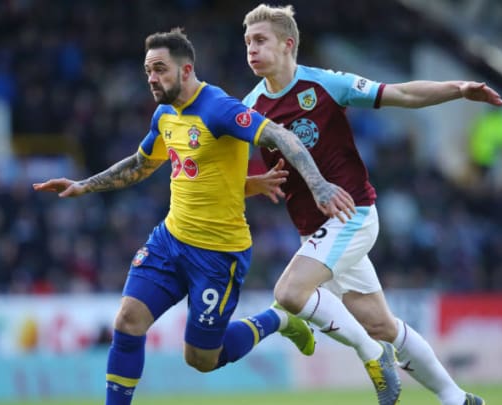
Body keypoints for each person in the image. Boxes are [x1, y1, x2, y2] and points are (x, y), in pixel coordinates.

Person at [33, 28, 356, 405]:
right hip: (170, 242)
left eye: (160, 69)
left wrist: (318, 184)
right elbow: (141, 164)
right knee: (127, 321)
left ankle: (280, 319)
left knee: (202, 359)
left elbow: (283, 136)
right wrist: (84, 185)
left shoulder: (219, 108)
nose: (152, 78)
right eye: (147, 70)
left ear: (186, 70)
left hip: (218, 256)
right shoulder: (165, 115)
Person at [242, 4, 502, 405]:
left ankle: (371, 354)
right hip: (314, 232)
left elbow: (398, 93)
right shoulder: (249, 108)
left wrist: (457, 89)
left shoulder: (326, 85)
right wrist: (252, 184)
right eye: (247, 42)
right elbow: (225, 175)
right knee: (383, 324)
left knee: (291, 293)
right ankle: (458, 399)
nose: (251, 49)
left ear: (287, 44)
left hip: (353, 214)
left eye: (260, 40)